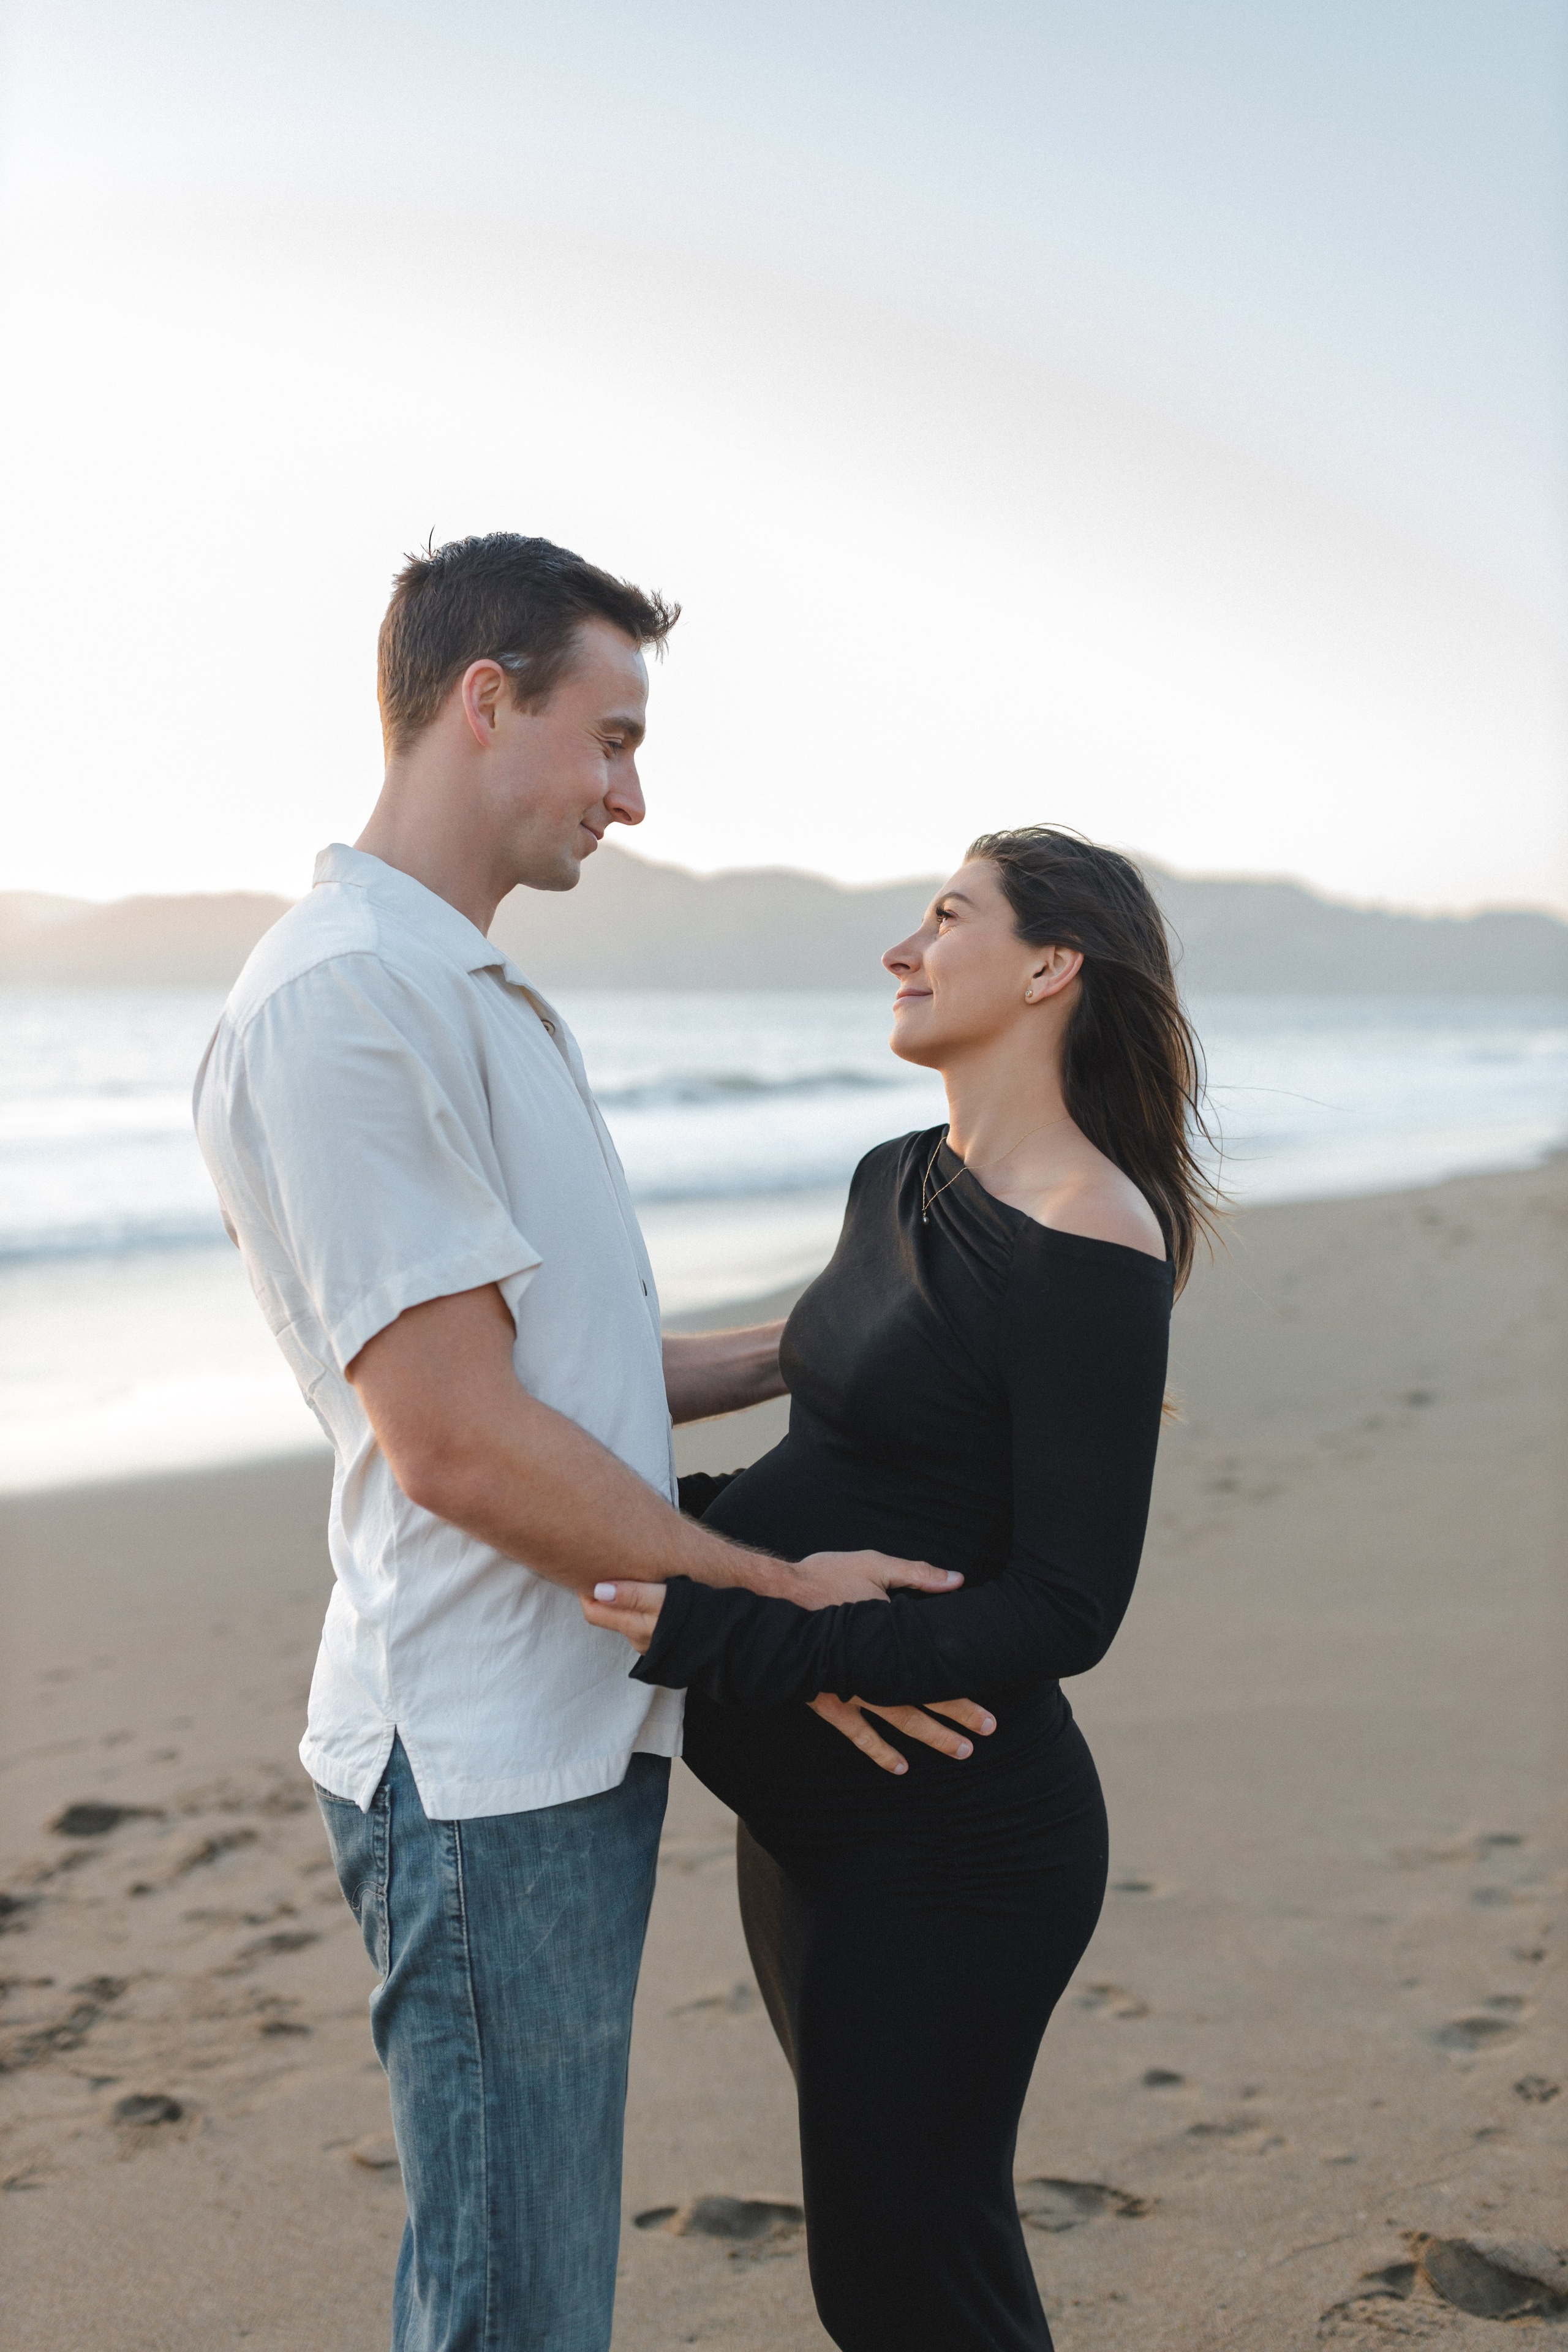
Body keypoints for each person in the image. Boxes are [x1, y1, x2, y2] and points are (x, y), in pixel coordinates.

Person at [192, 531, 985, 2352]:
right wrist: (774, 1597)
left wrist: (852, 1338)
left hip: (561, 1723)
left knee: (529, 2290)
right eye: (612, 739)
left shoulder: (454, 987)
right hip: (476, 1760)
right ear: (487, 701)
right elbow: (460, 1445)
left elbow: (571, 1370)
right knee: (516, 2312)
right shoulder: (344, 999)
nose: (632, 796)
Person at [584, 826, 1218, 2352]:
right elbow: (853, 1457)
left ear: (1050, 967)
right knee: (903, 2263)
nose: (900, 949)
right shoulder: (896, 1176)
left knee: (905, 2280)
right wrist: (672, 1531)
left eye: (944, 917)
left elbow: (1065, 1609)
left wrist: (735, 1632)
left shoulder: (1090, 1231)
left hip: (958, 1849)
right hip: (819, 1835)